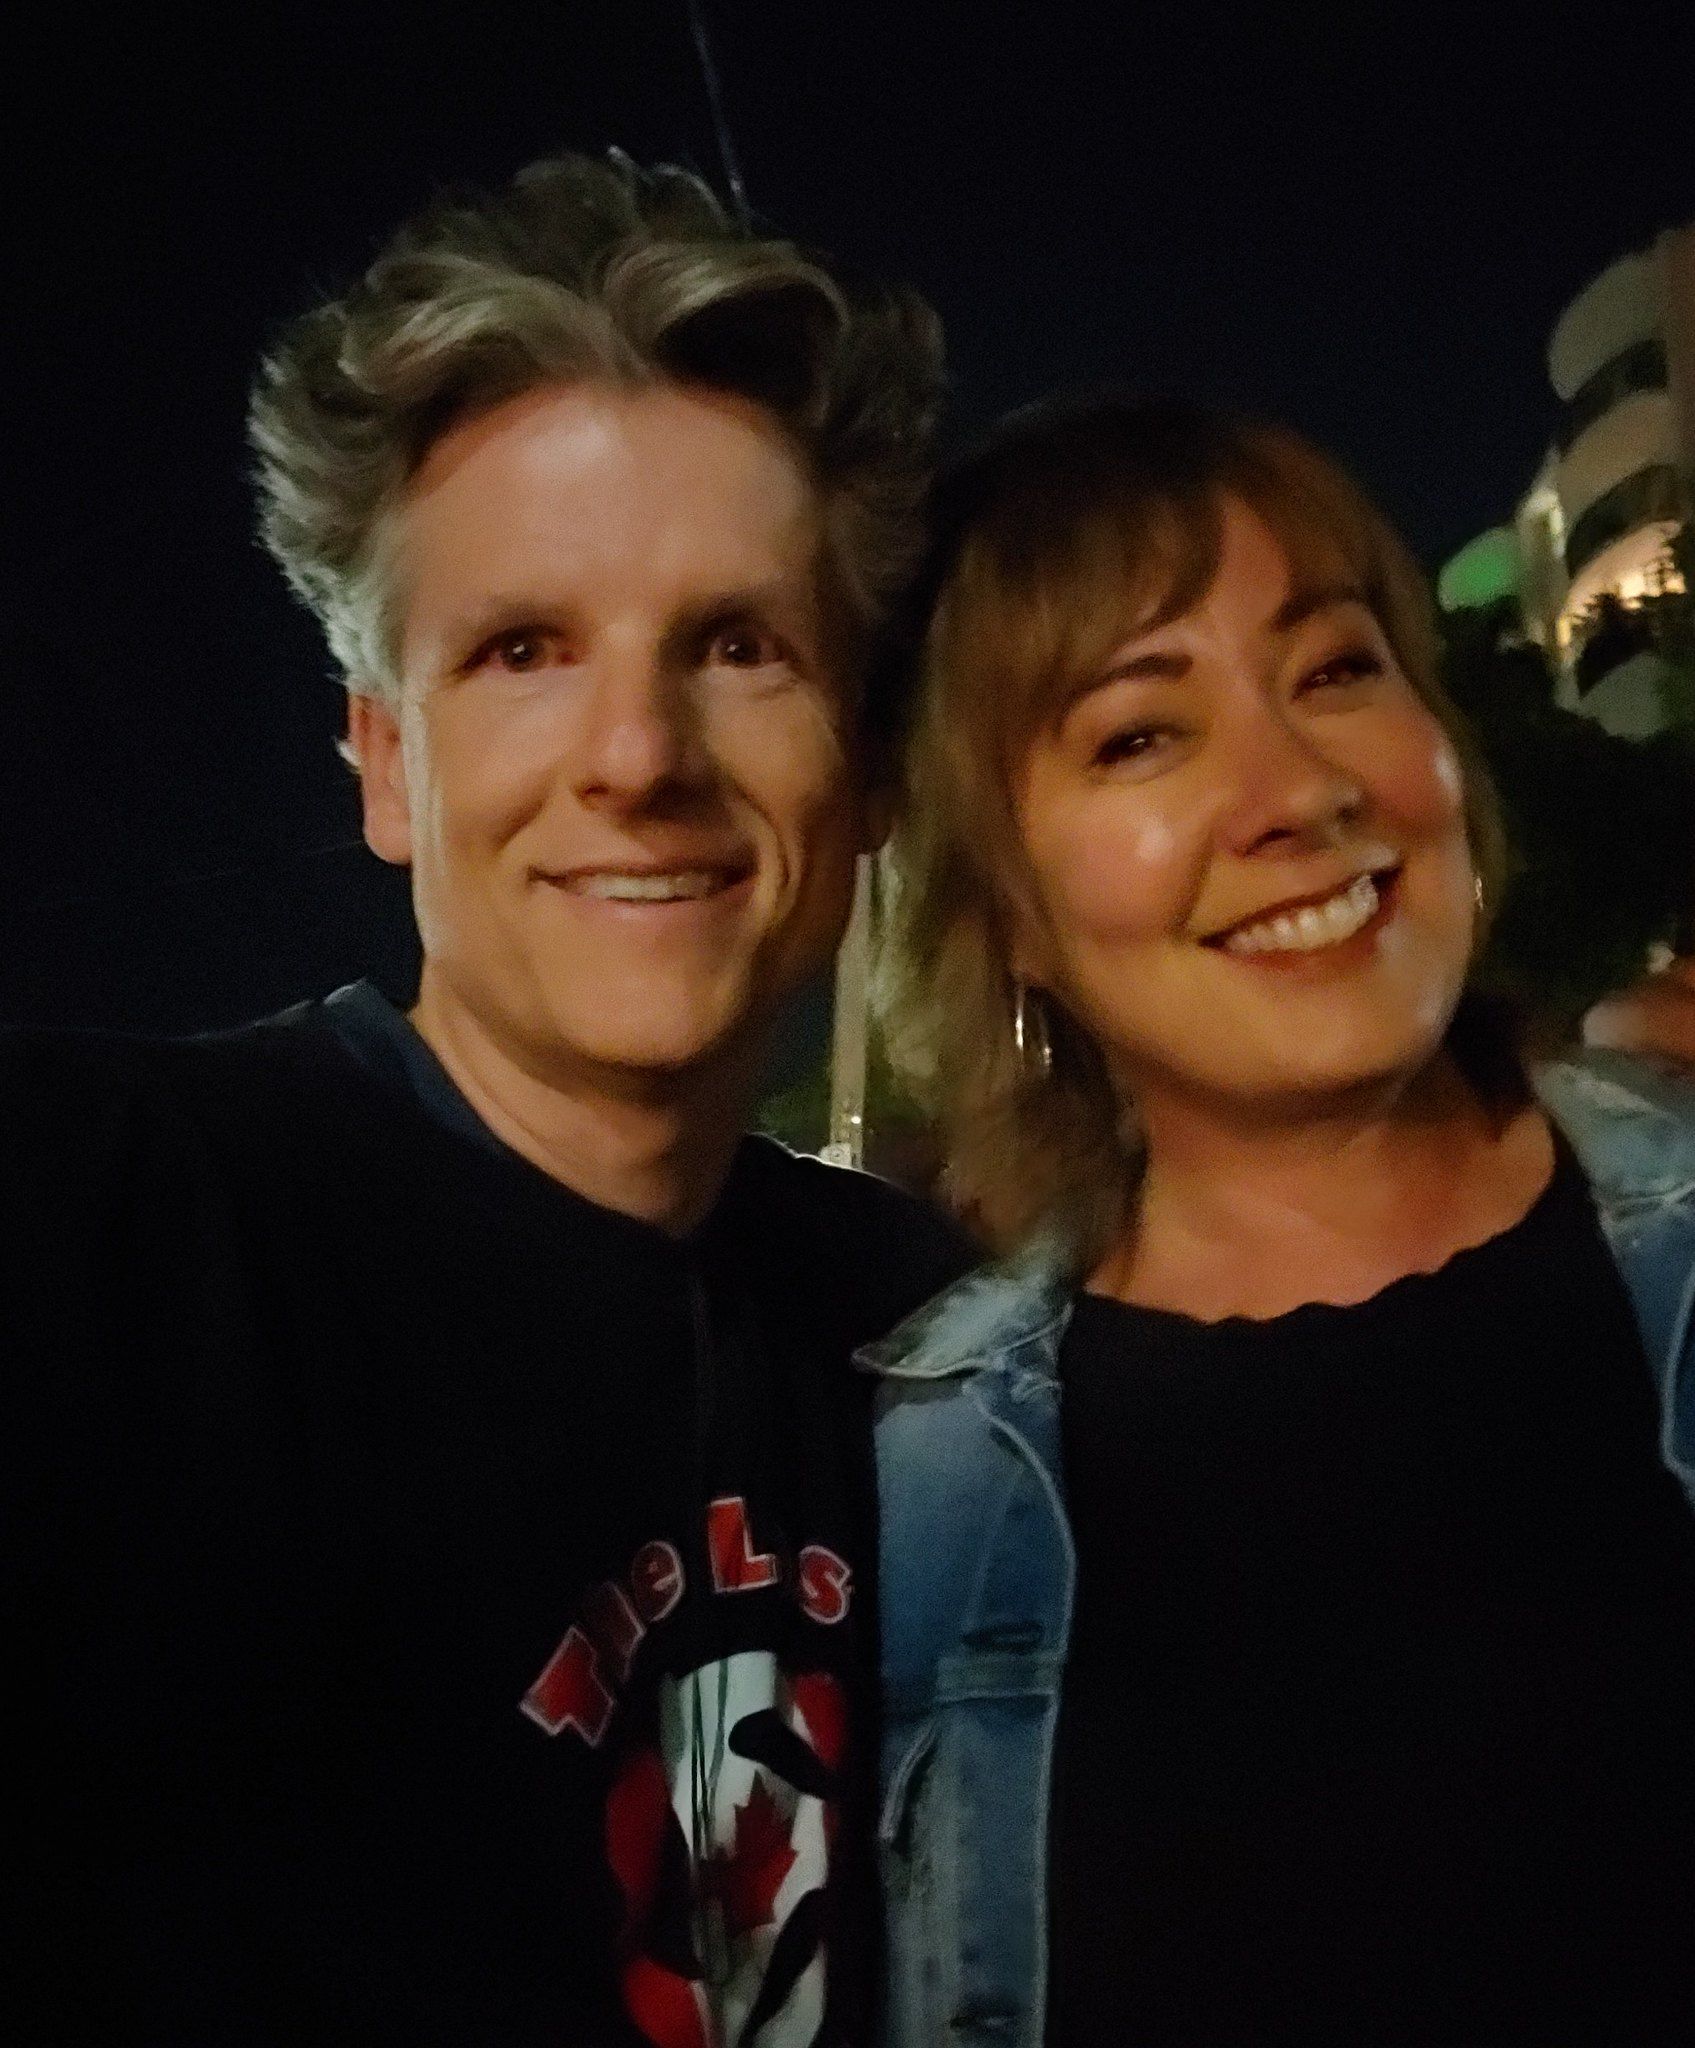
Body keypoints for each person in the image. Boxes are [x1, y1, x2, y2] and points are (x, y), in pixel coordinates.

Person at [3, 153, 968, 2046]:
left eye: (739, 645)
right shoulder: (102, 1235)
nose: (640, 755)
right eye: (524, 650)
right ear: (386, 762)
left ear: (858, 762)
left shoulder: (934, 1341)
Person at [865, 395, 1695, 2047]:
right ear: (1006, 909)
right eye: (1138, 737)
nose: (1298, 790)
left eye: (1333, 671)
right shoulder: (921, 1491)